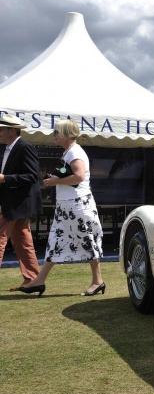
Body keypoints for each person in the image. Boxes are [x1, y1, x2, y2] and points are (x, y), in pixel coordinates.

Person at [20, 120, 104, 296]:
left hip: (78, 205)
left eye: (57, 132)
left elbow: (79, 176)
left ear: (67, 134)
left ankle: (98, 281)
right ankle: (40, 280)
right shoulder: (69, 152)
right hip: (67, 206)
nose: (54, 135)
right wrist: (54, 180)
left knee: (88, 241)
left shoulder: (74, 152)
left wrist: (55, 181)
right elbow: (72, 175)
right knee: (55, 243)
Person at [0, 114, 41, 291]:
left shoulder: (25, 147)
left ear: (11, 130)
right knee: (23, 241)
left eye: (1, 129)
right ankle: (33, 279)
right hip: (12, 203)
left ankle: (33, 279)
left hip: (17, 204)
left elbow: (33, 176)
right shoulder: (6, 148)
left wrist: (4, 179)